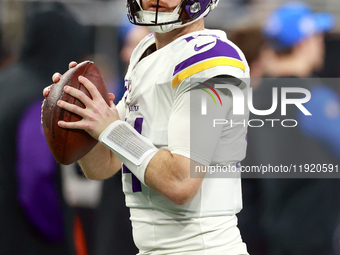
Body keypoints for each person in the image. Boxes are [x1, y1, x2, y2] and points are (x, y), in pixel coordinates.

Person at [44, 0, 250, 254]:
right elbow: (103, 164)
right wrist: (82, 117)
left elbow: (181, 181)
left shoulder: (211, 62)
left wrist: (111, 129)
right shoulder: (147, 51)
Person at [243, 2, 340, 254]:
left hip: (271, 234)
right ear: (302, 43)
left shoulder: (255, 100)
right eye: (317, 37)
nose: (321, 44)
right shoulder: (313, 99)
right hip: (315, 236)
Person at [0, 2, 90, 254]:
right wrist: (58, 235)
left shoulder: (6, 81)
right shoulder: (40, 99)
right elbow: (37, 177)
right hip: (26, 239)